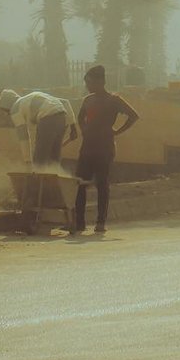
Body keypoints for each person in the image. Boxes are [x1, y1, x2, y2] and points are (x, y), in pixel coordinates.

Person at [74, 65, 140, 234]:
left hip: (105, 148)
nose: (87, 86)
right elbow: (80, 117)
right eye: (86, 82)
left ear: (100, 82)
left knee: (102, 184)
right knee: (80, 184)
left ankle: (100, 222)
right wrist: (84, 129)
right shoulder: (87, 100)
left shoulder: (114, 100)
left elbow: (134, 116)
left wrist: (117, 131)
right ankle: (79, 223)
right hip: (87, 148)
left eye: (89, 82)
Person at [0, 89, 78, 168]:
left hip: (47, 119)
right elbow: (65, 102)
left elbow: (24, 137)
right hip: (62, 118)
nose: (8, 114)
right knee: (54, 157)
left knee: (39, 159)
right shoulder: (33, 96)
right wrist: (73, 126)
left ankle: (37, 180)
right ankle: (53, 179)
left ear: (8, 105)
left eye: (7, 111)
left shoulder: (15, 108)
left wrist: (28, 161)